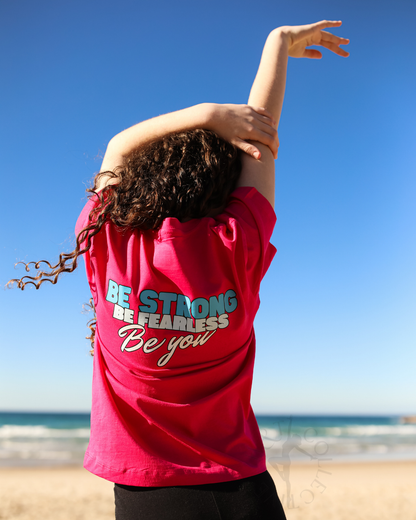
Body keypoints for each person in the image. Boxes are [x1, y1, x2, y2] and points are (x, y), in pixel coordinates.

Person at [8, 20, 349, 519]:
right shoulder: (237, 245)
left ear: (142, 182)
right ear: (224, 185)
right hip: (243, 492)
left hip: (145, 495)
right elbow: (261, 140)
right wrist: (277, 45)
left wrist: (205, 115)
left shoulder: (109, 240)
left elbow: (118, 147)